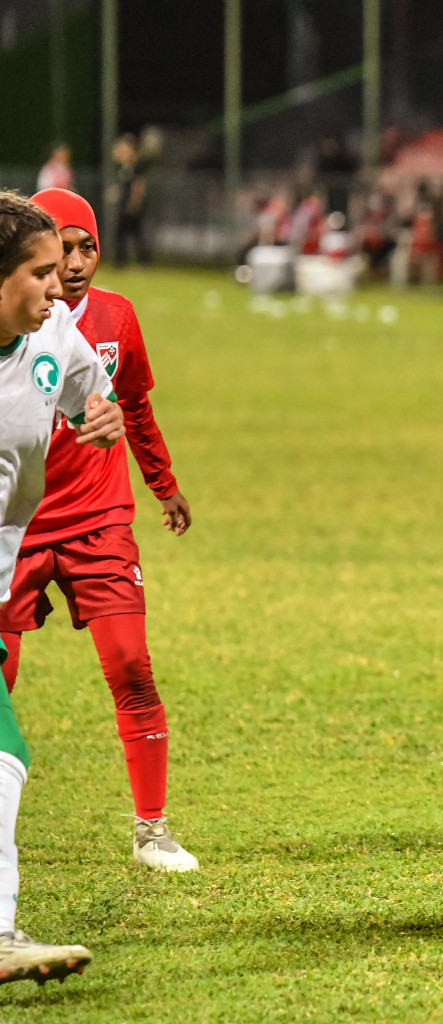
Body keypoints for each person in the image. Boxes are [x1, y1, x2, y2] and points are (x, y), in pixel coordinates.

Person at [4, 190, 198, 873]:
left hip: (97, 518)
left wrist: (161, 482)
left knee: (131, 665)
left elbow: (131, 404)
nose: (78, 263)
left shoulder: (113, 318)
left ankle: (152, 829)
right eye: (64, 248)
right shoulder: (19, 317)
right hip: (15, 526)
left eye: (89, 246)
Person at [0, 189, 128, 982]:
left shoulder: (51, 337)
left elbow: (89, 390)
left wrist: (102, 414)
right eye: (42, 273)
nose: (60, 288)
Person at [107, 135, 149, 268]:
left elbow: (138, 186)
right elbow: (124, 187)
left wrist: (134, 203)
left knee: (131, 234)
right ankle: (123, 261)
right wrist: (115, 193)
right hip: (124, 204)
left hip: (130, 206)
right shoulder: (124, 168)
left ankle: (127, 262)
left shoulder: (136, 166)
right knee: (128, 234)